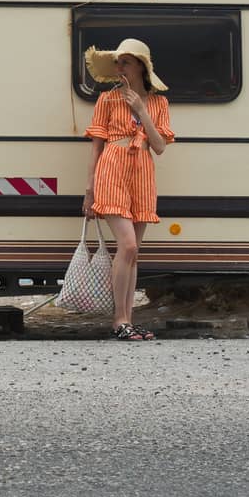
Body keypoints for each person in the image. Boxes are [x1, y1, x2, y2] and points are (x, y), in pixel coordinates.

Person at [82, 38, 176, 341]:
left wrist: (141, 109)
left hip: (142, 172)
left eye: (126, 61)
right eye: (118, 62)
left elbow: (159, 147)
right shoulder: (107, 100)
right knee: (129, 246)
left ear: (140, 67)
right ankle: (118, 319)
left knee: (134, 253)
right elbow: (97, 148)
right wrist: (89, 188)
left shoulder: (158, 102)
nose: (119, 67)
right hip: (112, 166)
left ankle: (128, 321)